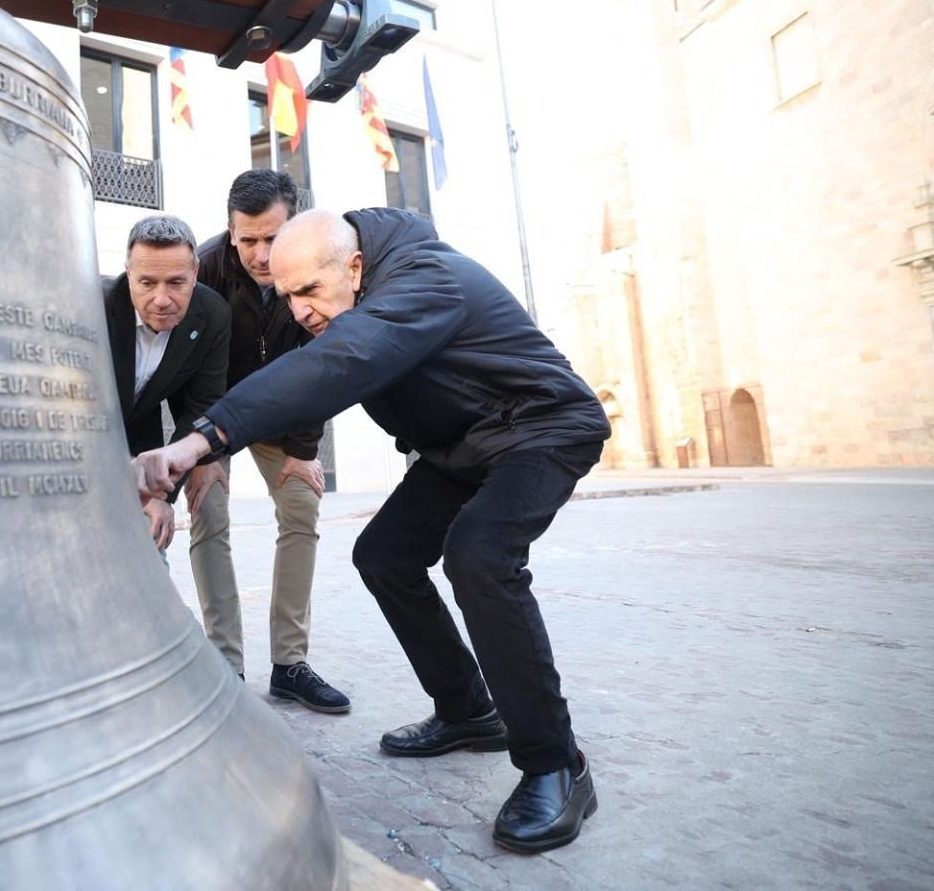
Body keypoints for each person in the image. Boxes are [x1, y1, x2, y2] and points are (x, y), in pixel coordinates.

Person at [134, 208, 612, 853]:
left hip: (542, 426)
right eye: (287, 296)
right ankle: (469, 710)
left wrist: (202, 440)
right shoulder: (348, 294)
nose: (300, 311)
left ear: (354, 267)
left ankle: (558, 764)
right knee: (384, 555)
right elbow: (306, 377)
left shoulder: (425, 278)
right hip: (459, 443)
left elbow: (342, 362)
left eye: (309, 292)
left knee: (480, 555)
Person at [185, 169, 350, 712]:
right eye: (247, 239)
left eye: (272, 238)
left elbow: (324, 366)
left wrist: (304, 452)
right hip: (217, 412)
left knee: (302, 504)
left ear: (294, 226)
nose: (260, 253)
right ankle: (225, 663)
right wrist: (205, 450)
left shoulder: (314, 267)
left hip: (284, 413)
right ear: (231, 231)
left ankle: (290, 663)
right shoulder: (204, 268)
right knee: (209, 510)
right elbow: (188, 368)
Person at [103, 215, 230, 556]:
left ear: (195, 274)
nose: (161, 299)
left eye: (176, 283)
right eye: (147, 283)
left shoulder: (213, 314)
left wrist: (160, 494)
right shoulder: (93, 305)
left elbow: (202, 408)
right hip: (86, 444)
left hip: (147, 444)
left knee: (150, 545)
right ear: (128, 274)